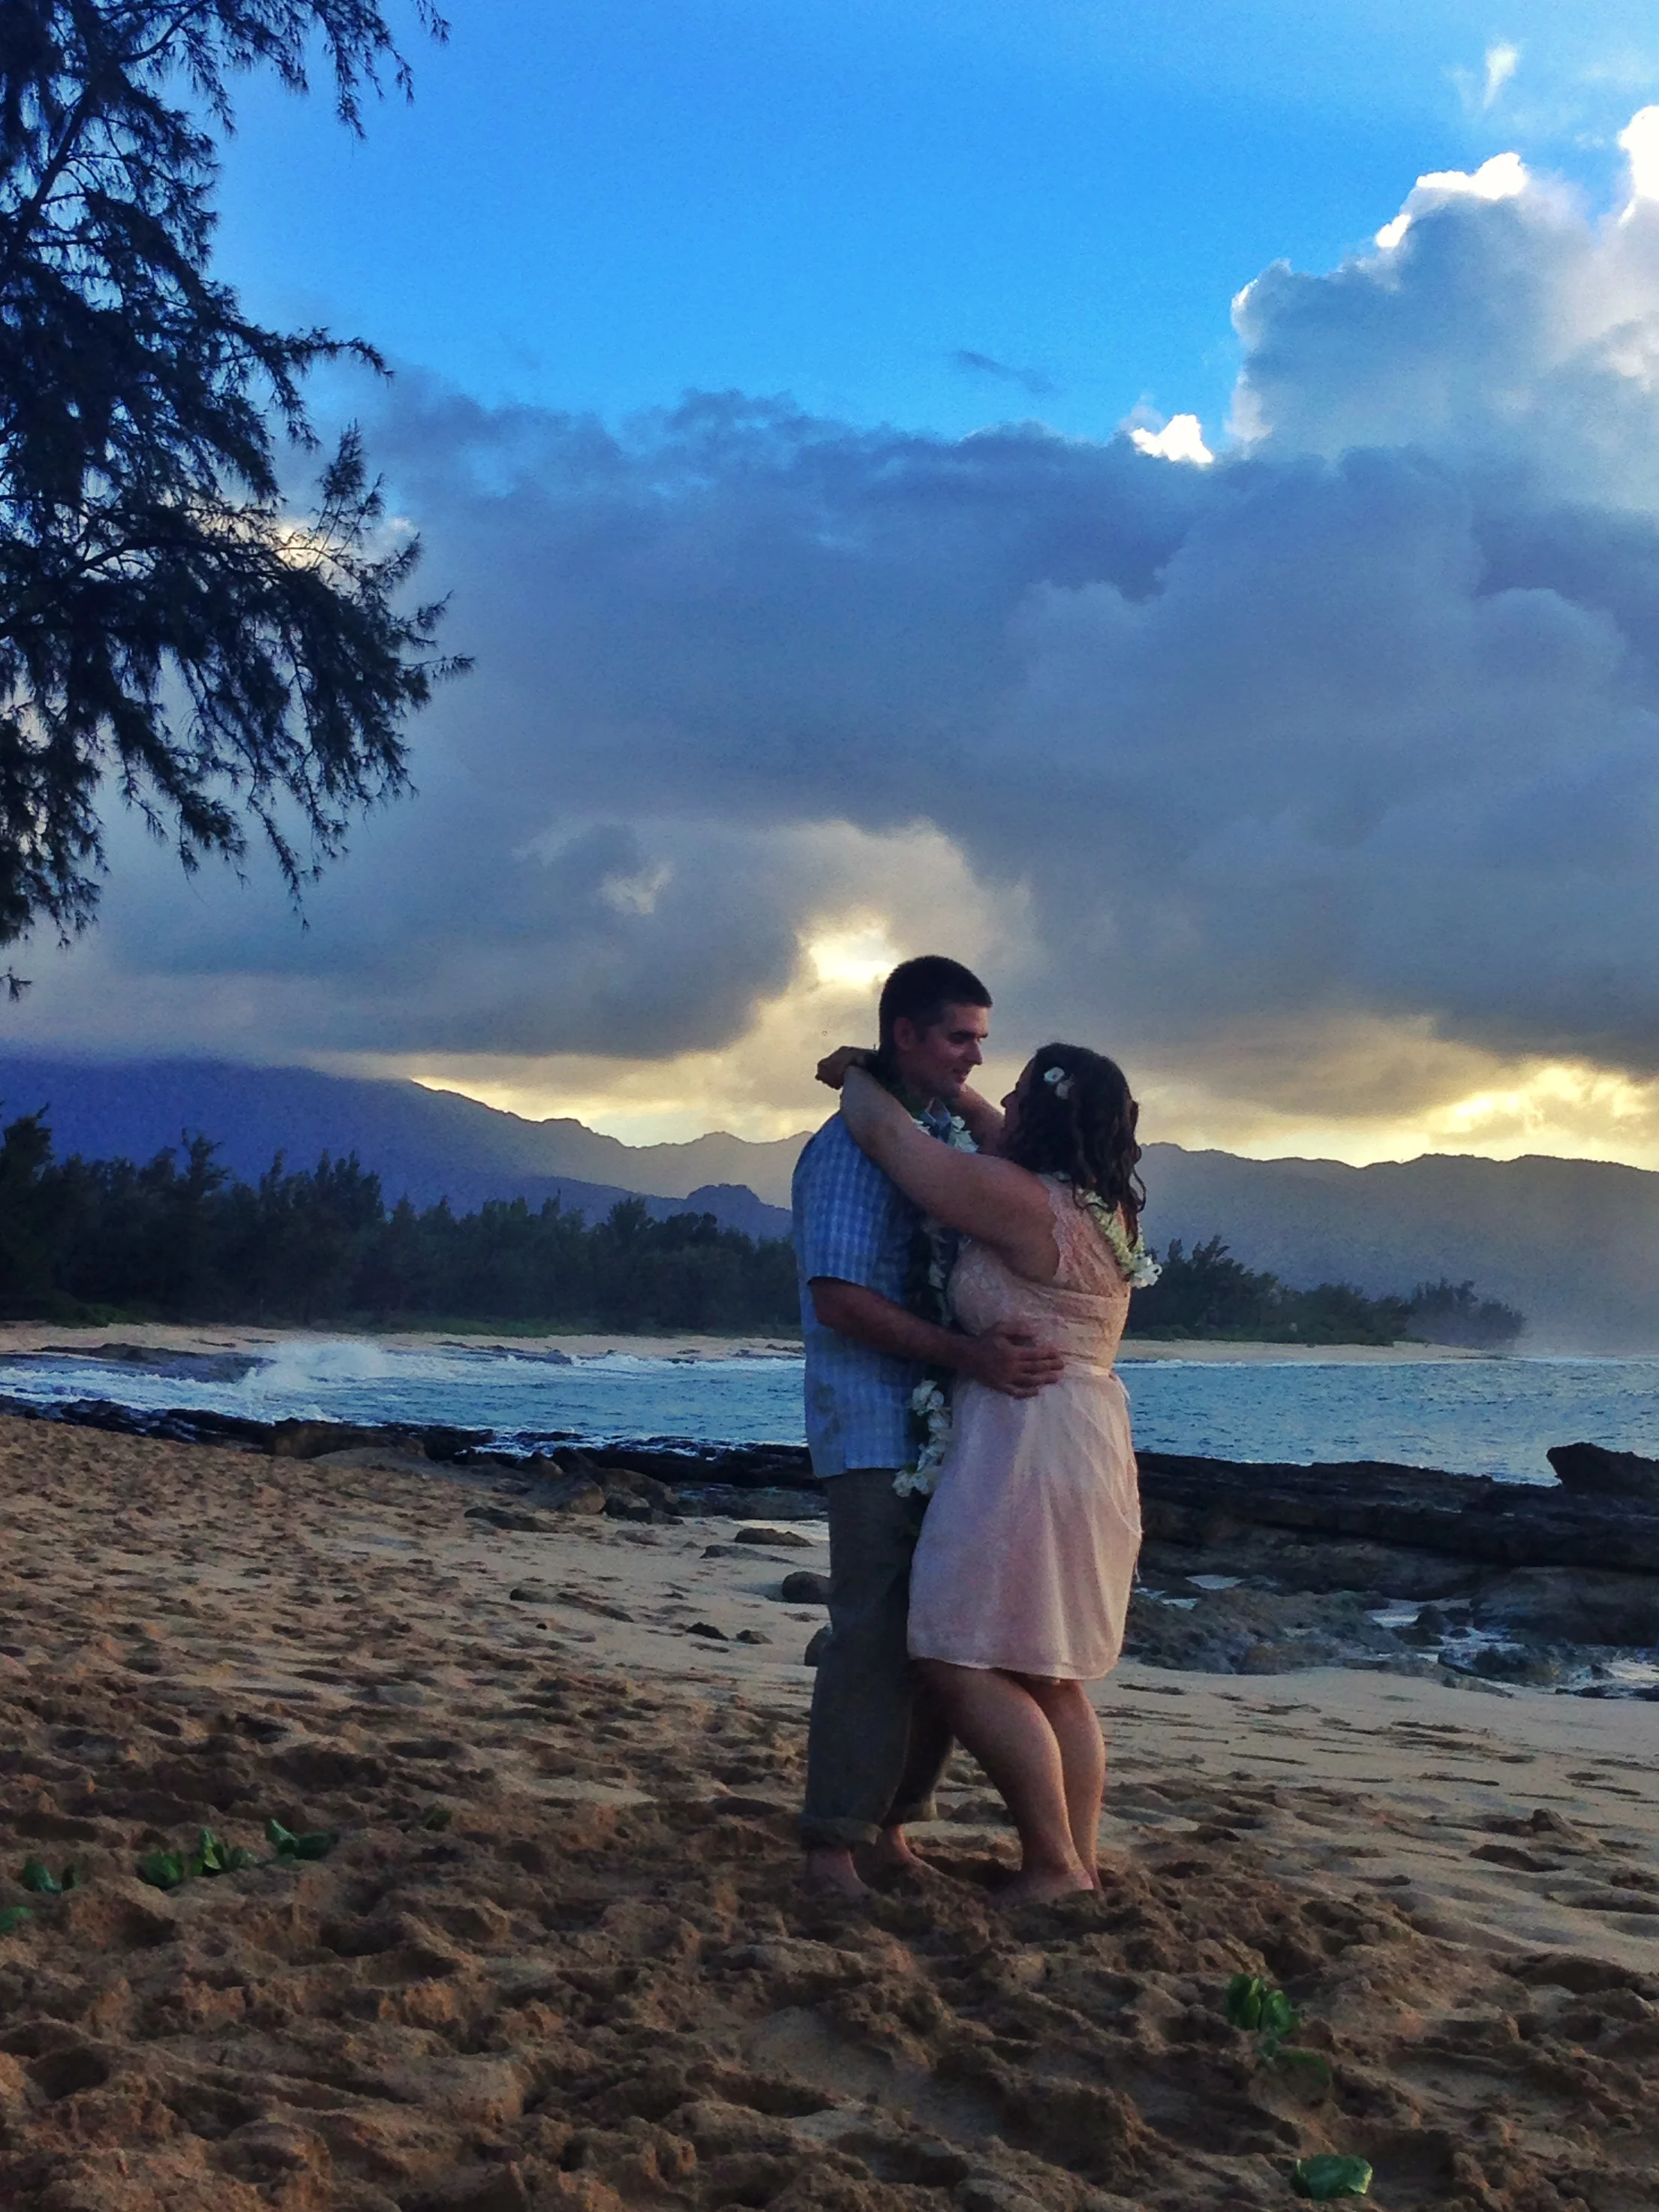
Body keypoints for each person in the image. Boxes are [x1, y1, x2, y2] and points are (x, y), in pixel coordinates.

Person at [831, 1041, 1151, 1902]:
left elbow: (896, 1146)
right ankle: (1078, 1864)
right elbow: (991, 1130)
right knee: (1051, 1671)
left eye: (1015, 1095)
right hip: (1086, 1437)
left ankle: (1050, 1864)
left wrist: (863, 1074)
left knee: (955, 1648)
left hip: (1023, 1441)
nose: (997, 1106)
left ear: (1043, 1113)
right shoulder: (1108, 1212)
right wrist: (967, 1099)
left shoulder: (1022, 1201)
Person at [793, 956, 1066, 1900]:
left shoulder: (940, 1136)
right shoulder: (847, 1150)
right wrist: (969, 1355)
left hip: (954, 1427)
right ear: (905, 1033)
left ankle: (892, 1828)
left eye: (983, 1040)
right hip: (873, 1421)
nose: (976, 1058)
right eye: (959, 1037)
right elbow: (838, 1298)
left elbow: (1017, 1151)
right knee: (872, 1634)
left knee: (945, 1632)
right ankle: (832, 1843)